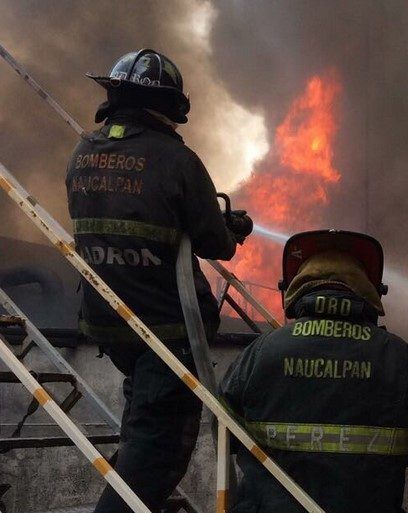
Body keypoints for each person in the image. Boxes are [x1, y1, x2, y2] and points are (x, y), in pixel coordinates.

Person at [66, 49, 245, 512]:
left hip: (109, 322)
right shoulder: (177, 160)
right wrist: (232, 230)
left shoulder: (83, 153)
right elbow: (216, 243)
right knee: (161, 451)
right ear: (168, 105)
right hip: (167, 328)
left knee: (144, 424)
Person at [220, 230, 408, 513]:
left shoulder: (261, 351)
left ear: (295, 289)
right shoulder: (396, 356)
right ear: (370, 290)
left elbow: (224, 434)